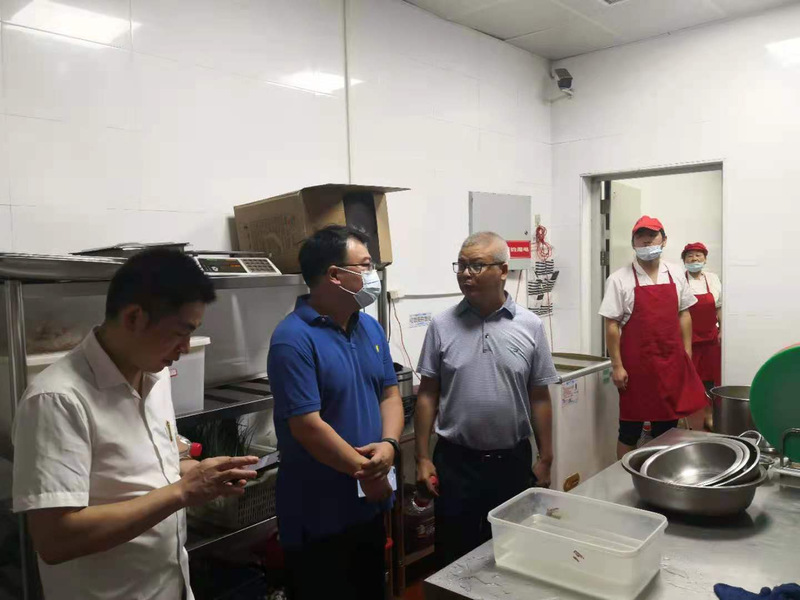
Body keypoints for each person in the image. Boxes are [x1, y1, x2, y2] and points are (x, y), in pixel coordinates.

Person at [12, 249, 259, 600]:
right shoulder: (57, 399)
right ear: (133, 318)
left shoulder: (155, 374)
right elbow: (55, 539)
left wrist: (198, 472)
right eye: (180, 333)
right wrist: (182, 492)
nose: (186, 348)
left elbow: (145, 469)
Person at [267, 225, 404, 600]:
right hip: (319, 514)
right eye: (365, 265)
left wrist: (389, 445)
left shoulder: (369, 327)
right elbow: (307, 426)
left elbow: (390, 394)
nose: (372, 273)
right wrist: (368, 472)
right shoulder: (292, 339)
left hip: (368, 503)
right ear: (334, 274)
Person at [414, 231, 559, 568]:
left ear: (503, 270)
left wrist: (547, 457)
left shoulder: (530, 326)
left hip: (511, 462)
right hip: (455, 463)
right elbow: (428, 393)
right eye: (461, 265)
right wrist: (421, 457)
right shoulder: (441, 325)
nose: (466, 274)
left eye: (477, 266)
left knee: (512, 552)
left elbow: (539, 396)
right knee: (453, 556)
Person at [600, 216, 707, 459]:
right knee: (629, 430)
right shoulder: (619, 279)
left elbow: (684, 313)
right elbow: (611, 324)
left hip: (670, 364)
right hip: (636, 368)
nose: (647, 241)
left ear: (664, 240)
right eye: (641, 237)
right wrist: (617, 366)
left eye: (652, 235)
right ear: (633, 243)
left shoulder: (676, 273)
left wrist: (687, 352)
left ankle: (662, 473)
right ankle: (623, 476)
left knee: (667, 429)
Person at [683, 242, 722, 430]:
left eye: (698, 255)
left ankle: (709, 414)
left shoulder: (712, 279)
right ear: (684, 260)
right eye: (690, 256)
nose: (694, 259)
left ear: (705, 259)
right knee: (689, 380)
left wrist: (722, 330)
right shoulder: (680, 280)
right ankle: (690, 420)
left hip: (710, 340)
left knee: (710, 379)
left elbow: (718, 307)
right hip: (688, 340)